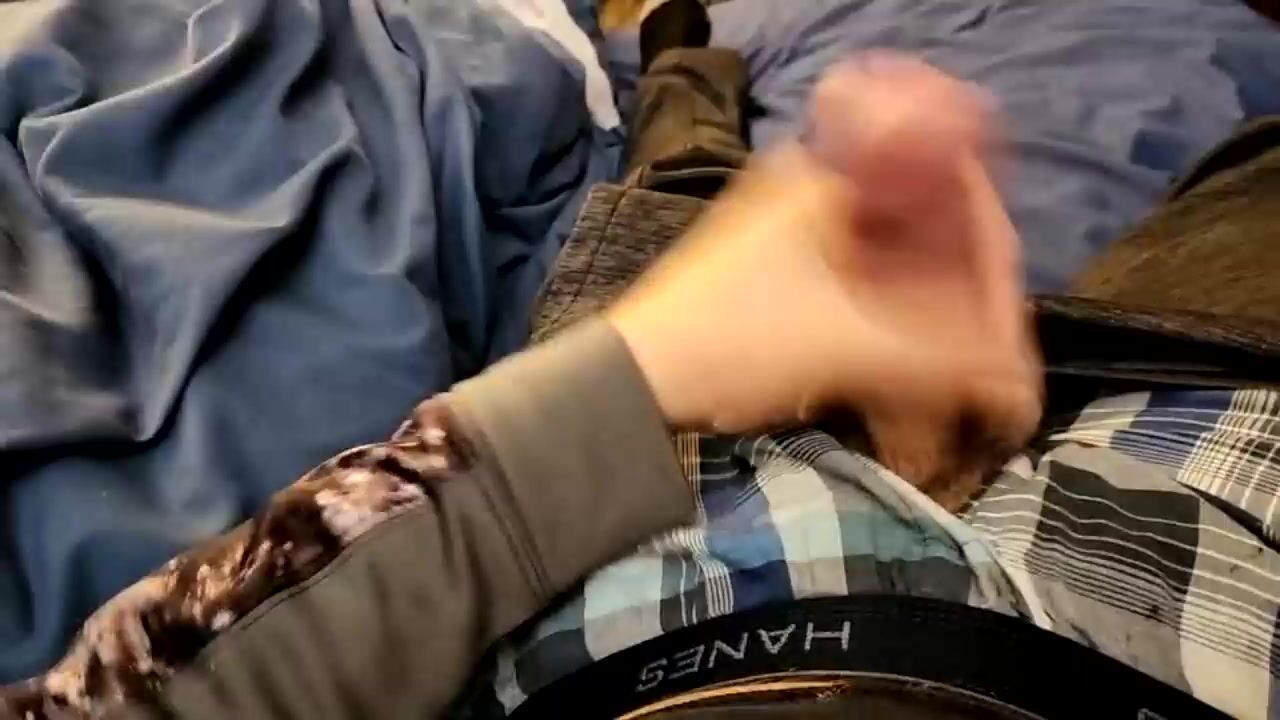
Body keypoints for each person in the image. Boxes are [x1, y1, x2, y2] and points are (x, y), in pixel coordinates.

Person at [4, 12, 1278, 720]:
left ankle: (679, 47)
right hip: (1201, 487)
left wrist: (630, 376)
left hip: (617, 503)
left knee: (694, 185)